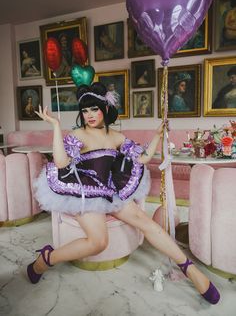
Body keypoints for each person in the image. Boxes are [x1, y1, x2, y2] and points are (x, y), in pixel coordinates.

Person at [27, 82, 220, 305]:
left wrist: (158, 135)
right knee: (98, 242)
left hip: (109, 189)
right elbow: (61, 163)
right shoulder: (78, 134)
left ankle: (191, 270)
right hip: (82, 189)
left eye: (94, 109)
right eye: (85, 110)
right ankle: (46, 258)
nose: (89, 115)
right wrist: (56, 127)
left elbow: (142, 158)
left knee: (147, 224)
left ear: (105, 108)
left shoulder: (116, 136)